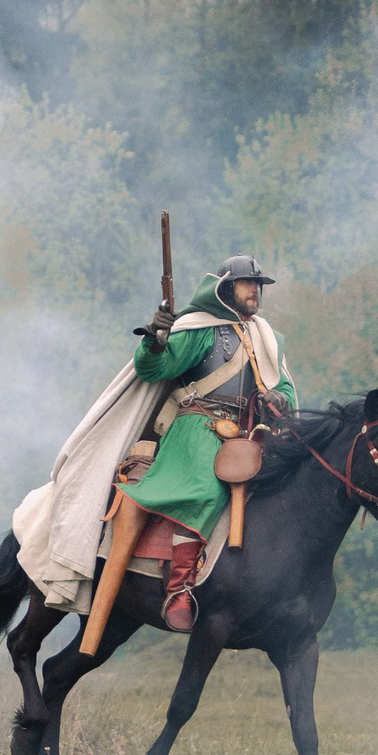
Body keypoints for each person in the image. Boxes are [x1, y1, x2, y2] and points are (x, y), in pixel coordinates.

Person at [121, 256, 297, 631]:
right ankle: (179, 588)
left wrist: (280, 400)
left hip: (249, 432)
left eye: (258, 284)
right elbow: (155, 369)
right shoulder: (200, 329)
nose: (255, 290)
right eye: (247, 282)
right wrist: (155, 340)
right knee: (203, 486)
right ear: (225, 288)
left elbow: (283, 387)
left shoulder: (267, 338)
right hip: (197, 426)